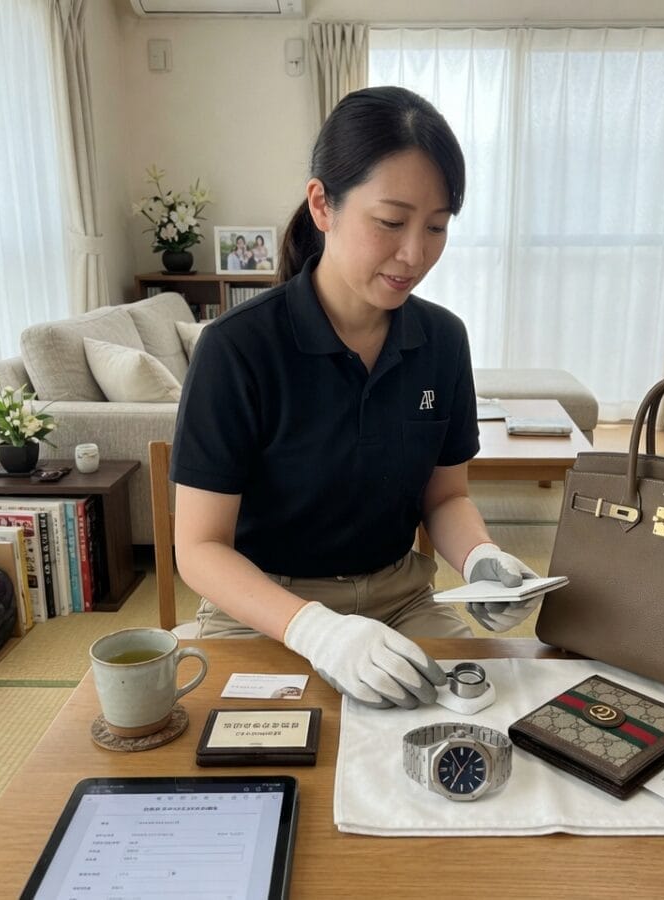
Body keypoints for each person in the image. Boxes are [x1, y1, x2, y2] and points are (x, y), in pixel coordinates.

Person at [171, 86, 539, 711]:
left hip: (401, 601)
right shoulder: (238, 348)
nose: (415, 254)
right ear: (323, 204)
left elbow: (446, 496)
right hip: (266, 610)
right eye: (391, 222)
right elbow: (200, 548)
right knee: (265, 759)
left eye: (437, 227)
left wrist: (481, 558)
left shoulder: (443, 340)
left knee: (491, 721)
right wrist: (317, 629)